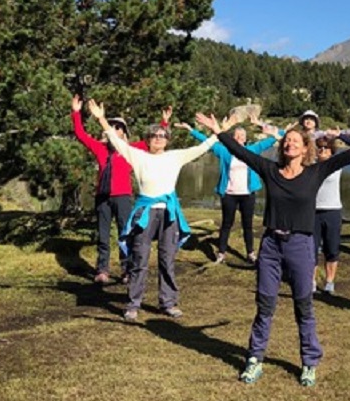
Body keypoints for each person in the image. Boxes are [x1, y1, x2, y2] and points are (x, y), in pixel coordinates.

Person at [196, 111, 350, 387]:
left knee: (304, 306)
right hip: (271, 246)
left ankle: (309, 362)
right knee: (265, 304)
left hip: (301, 245)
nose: (289, 143)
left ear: (305, 149)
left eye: (295, 141)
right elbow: (240, 153)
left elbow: (347, 157)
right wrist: (218, 131)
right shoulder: (270, 171)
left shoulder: (315, 172)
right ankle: (255, 359)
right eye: (286, 141)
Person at [86, 99, 219, 321]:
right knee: (140, 259)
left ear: (168, 140)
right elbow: (116, 142)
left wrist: (217, 131)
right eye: (154, 136)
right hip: (145, 213)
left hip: (168, 214)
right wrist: (101, 119)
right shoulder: (139, 157)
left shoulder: (175, 156)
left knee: (167, 259)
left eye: (162, 136)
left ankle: (168, 302)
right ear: (147, 140)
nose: (158, 138)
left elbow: (203, 147)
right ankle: (133, 304)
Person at [71, 95, 171, 284]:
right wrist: (76, 113)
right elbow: (80, 135)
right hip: (103, 197)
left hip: (123, 197)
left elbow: (154, 140)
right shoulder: (100, 149)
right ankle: (102, 270)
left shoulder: (131, 149)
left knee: (126, 233)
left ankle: (127, 269)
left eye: (119, 128)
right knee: (103, 234)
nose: (115, 130)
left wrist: (164, 122)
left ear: (124, 133)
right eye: (112, 127)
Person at [177, 114, 282, 265]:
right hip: (229, 194)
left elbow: (275, 138)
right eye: (237, 135)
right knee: (227, 223)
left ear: (246, 139)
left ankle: (250, 253)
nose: (240, 137)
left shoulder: (253, 149)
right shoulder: (224, 151)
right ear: (232, 138)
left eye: (242, 135)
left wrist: (262, 124)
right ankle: (221, 253)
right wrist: (191, 130)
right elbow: (206, 142)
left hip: (247, 194)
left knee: (248, 224)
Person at [312, 135, 344, 294]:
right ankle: (311, 281)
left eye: (326, 148)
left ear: (332, 151)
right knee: (311, 249)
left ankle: (329, 281)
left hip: (332, 211)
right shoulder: (310, 166)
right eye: (320, 148)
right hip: (313, 212)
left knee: (331, 249)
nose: (322, 150)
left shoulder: (336, 165)